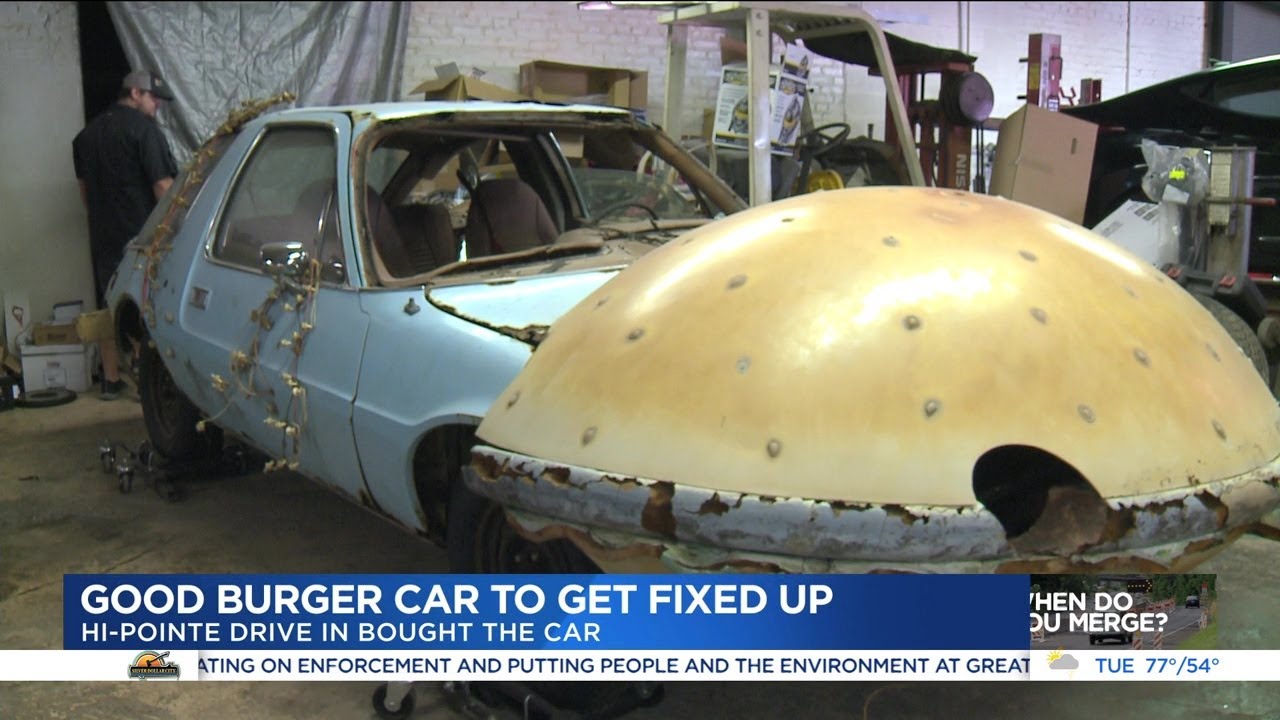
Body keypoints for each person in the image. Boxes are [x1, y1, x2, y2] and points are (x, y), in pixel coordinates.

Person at [73, 69, 178, 400]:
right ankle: (152, 384)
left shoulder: (85, 137)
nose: (157, 106)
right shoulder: (144, 132)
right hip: (144, 239)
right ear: (135, 93)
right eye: (154, 98)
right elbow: (164, 187)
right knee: (149, 308)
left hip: (104, 237)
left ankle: (111, 379)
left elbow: (85, 193)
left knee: (110, 305)